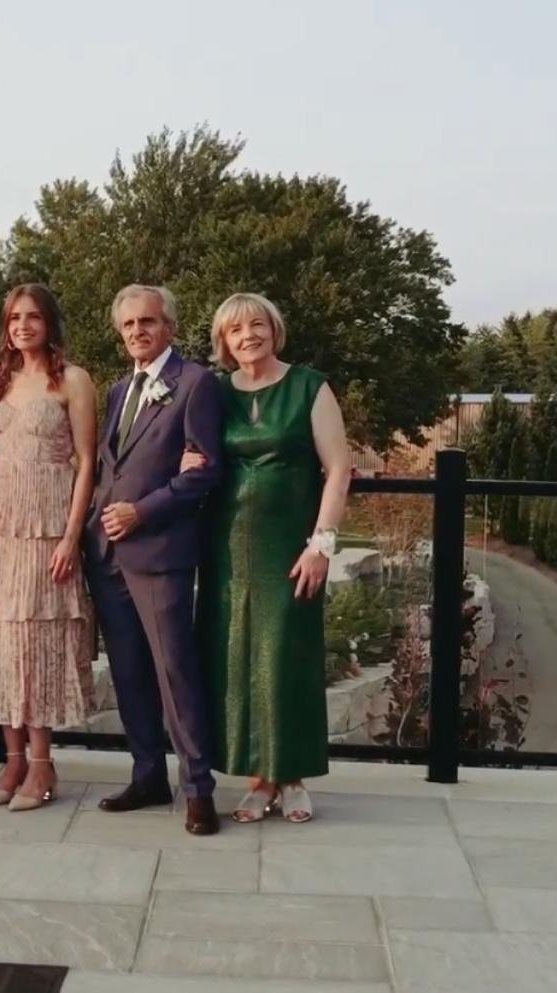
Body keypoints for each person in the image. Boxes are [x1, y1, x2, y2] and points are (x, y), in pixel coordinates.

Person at [190, 293, 353, 823]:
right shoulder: (214, 392)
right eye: (235, 331)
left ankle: (294, 775)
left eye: (256, 325)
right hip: (227, 550)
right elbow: (194, 451)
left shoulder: (309, 385)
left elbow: (339, 470)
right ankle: (260, 778)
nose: (247, 337)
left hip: (291, 549)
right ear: (224, 342)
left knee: (287, 658)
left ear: (273, 330)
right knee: (237, 662)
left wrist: (321, 545)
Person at [84, 284, 225, 835]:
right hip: (108, 554)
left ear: (169, 325)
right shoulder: (118, 391)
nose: (137, 332)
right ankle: (147, 775)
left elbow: (204, 471)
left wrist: (142, 512)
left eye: (147, 322)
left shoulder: (195, 385)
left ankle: (198, 790)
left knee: (175, 672)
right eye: (128, 326)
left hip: (160, 551)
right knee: (129, 674)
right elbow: (109, 468)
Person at [0, 284, 97, 812]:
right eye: (14, 318)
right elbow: (7, 454)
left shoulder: (72, 379)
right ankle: (13, 758)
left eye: (33, 317)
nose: (23, 325)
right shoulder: (2, 379)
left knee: (35, 641)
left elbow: (87, 460)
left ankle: (43, 764)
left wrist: (71, 535)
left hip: (47, 525)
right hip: (0, 523)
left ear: (50, 322)